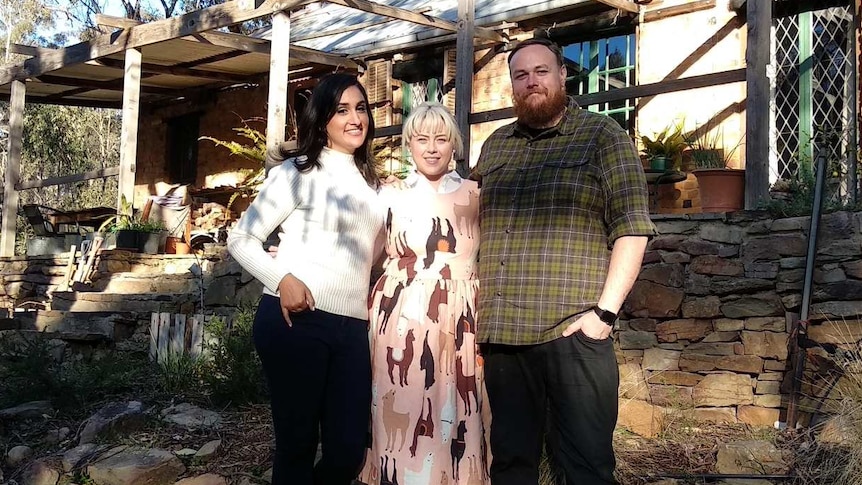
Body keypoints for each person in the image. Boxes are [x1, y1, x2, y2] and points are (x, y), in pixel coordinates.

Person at [473, 37, 656, 485]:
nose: (531, 81)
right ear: (512, 87)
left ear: (562, 75)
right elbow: (466, 223)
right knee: (511, 465)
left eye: (541, 71)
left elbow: (632, 228)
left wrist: (604, 314)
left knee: (586, 466)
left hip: (572, 332)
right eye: (521, 75)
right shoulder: (496, 146)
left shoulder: (603, 137)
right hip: (505, 339)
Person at [227, 73, 382, 485]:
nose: (355, 119)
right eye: (342, 110)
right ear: (323, 118)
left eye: (361, 108)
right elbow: (241, 239)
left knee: (348, 450)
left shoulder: (374, 185)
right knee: (296, 446)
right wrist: (283, 280)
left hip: (353, 328)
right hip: (297, 320)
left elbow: (375, 255)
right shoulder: (296, 171)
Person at [358, 102, 488, 485]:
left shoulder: (476, 193)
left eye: (441, 139)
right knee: (405, 400)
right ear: (408, 145)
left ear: (454, 146)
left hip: (463, 315)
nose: (431, 148)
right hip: (401, 316)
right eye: (421, 139)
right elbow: (364, 253)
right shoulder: (389, 195)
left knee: (459, 405)